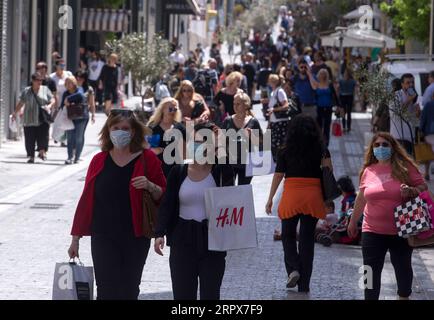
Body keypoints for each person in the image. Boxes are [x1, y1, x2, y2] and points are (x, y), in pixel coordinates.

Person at [68, 109, 166, 300]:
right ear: (108, 130)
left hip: (136, 238)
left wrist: (150, 185)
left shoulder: (148, 159)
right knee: (106, 289)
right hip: (103, 236)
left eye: (125, 128)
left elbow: (163, 193)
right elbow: (86, 200)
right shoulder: (99, 160)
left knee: (129, 289)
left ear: (133, 131)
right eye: (116, 128)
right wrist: (75, 239)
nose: (120, 132)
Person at [154, 122, 235, 300]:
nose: (201, 146)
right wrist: (159, 232)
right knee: (183, 294)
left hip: (213, 241)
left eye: (206, 142)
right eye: (197, 141)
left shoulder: (221, 171)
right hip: (182, 240)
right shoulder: (179, 171)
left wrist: (221, 143)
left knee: (210, 294)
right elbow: (167, 203)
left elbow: (232, 193)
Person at [348, 132, 427, 300]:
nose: (381, 148)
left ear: (393, 148)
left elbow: (423, 186)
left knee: (404, 273)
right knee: (368, 271)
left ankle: (403, 297)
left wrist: (412, 190)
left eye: (385, 145)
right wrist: (353, 221)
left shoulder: (405, 167)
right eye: (377, 145)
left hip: (401, 230)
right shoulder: (368, 171)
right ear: (372, 149)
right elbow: (361, 198)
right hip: (371, 230)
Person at [266, 115, 331, 293]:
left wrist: (270, 198)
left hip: (292, 195)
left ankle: (293, 268)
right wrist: (327, 200)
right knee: (307, 239)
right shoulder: (322, 150)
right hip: (313, 195)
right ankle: (304, 285)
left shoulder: (285, 150)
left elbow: (278, 175)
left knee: (287, 235)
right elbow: (328, 173)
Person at [12, 73, 56, 163]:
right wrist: (14, 113)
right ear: (32, 81)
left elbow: (52, 99)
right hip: (29, 119)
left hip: (42, 119)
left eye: (41, 80)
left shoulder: (45, 89)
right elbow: (21, 103)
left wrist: (50, 105)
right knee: (29, 139)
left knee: (43, 137)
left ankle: (42, 152)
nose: (39, 82)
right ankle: (31, 156)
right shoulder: (26, 91)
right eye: (37, 80)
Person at [222, 92, 263, 185]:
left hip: (247, 163)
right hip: (230, 163)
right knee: (229, 190)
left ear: (246, 105)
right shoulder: (227, 120)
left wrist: (252, 135)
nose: (235, 106)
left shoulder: (253, 121)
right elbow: (221, 141)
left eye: (238, 104)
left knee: (244, 192)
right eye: (234, 104)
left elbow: (261, 141)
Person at [147, 98, 186, 178]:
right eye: (170, 109)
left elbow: (187, 150)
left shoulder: (180, 127)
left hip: (176, 170)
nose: (172, 111)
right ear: (163, 109)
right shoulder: (153, 128)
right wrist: (153, 150)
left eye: (175, 109)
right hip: (157, 170)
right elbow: (146, 148)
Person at [307, 68, 340, 146]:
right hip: (319, 108)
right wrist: (309, 74)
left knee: (327, 127)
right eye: (321, 74)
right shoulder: (317, 84)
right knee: (319, 127)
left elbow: (335, 96)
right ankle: (319, 143)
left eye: (324, 74)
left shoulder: (330, 84)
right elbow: (312, 83)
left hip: (328, 108)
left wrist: (338, 106)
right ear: (319, 75)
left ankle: (326, 144)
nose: (323, 75)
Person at [390, 73, 420, 156]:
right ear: (402, 84)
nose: (411, 85)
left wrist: (417, 112)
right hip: (399, 136)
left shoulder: (413, 96)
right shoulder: (395, 96)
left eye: (412, 82)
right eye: (408, 83)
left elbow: (414, 117)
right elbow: (396, 113)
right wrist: (408, 100)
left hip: (410, 135)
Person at [263, 74, 290, 161]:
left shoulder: (280, 91)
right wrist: (269, 123)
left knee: (279, 145)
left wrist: (274, 109)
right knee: (274, 144)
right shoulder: (273, 92)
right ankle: (278, 162)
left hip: (281, 122)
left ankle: (281, 162)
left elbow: (286, 105)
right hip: (274, 122)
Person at [420, 90, 434, 180]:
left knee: (427, 152)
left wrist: (421, 130)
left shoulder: (428, 105)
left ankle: (426, 172)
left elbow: (423, 119)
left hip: (429, 133)